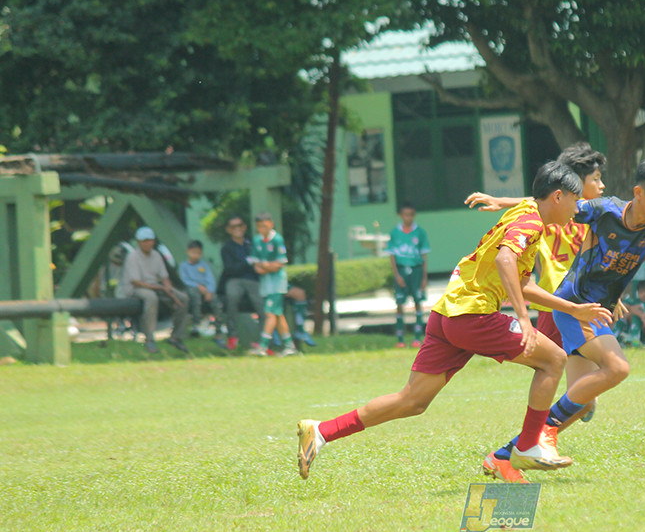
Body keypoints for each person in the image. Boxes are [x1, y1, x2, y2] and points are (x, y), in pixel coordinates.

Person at [295, 162, 614, 480]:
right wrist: (523, 318)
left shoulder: (528, 211)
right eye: (575, 201)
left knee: (413, 400)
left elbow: (524, 283)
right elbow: (505, 259)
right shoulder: (532, 223)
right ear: (558, 197)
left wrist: (573, 309)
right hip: (473, 315)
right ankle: (528, 445)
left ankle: (321, 431)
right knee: (553, 360)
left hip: (448, 311)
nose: (577, 209)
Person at [486, 157, 645, 477]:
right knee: (617, 367)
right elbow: (550, 204)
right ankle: (540, 435)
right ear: (638, 193)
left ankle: (503, 456)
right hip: (574, 304)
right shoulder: (606, 209)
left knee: (583, 403)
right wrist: (501, 202)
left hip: (596, 312)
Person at [467, 143, 608, 482]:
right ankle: (513, 452)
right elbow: (535, 204)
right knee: (583, 391)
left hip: (575, 305)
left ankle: (518, 449)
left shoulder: (581, 212)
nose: (602, 187)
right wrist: (502, 202)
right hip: (559, 306)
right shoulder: (555, 210)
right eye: (596, 179)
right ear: (569, 188)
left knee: (584, 396)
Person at [118, 226, 191, 354]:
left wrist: (168, 289)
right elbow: (136, 282)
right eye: (144, 240)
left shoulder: (156, 255)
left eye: (149, 240)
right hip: (135, 289)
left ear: (153, 241)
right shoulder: (133, 257)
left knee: (183, 298)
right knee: (151, 298)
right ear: (138, 242)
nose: (147, 243)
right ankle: (149, 339)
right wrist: (162, 287)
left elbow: (164, 277)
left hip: (155, 287)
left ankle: (176, 336)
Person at [249, 212, 297, 357]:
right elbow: (256, 266)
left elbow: (279, 264)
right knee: (277, 314)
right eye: (259, 227)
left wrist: (266, 266)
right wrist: (267, 266)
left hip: (277, 283)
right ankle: (290, 346)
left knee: (270, 313)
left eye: (264, 226)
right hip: (266, 283)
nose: (262, 229)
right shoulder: (257, 240)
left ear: (271, 224)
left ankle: (263, 346)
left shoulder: (277, 239)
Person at [218, 215, 265, 353]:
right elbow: (230, 269)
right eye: (233, 227)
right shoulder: (226, 248)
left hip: (252, 280)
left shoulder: (252, 244)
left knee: (262, 305)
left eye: (240, 226)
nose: (237, 229)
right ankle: (232, 336)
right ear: (229, 230)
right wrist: (247, 263)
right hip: (234, 280)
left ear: (244, 227)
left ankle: (262, 340)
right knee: (232, 297)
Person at [387, 202, 431, 348]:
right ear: (400, 215)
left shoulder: (420, 232)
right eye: (405, 214)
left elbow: (424, 255)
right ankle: (400, 339)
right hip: (401, 270)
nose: (408, 218)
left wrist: (424, 277)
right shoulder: (395, 233)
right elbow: (392, 255)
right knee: (400, 303)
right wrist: (397, 275)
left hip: (416, 270)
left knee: (418, 302)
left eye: (411, 214)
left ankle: (417, 338)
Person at [178, 240, 227, 348]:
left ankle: (218, 330)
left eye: (198, 253)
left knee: (216, 303)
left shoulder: (204, 266)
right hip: (192, 289)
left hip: (205, 290)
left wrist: (209, 291)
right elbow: (185, 280)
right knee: (195, 297)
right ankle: (196, 324)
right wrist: (198, 286)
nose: (195, 255)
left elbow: (210, 279)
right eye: (193, 252)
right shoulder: (184, 266)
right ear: (188, 252)